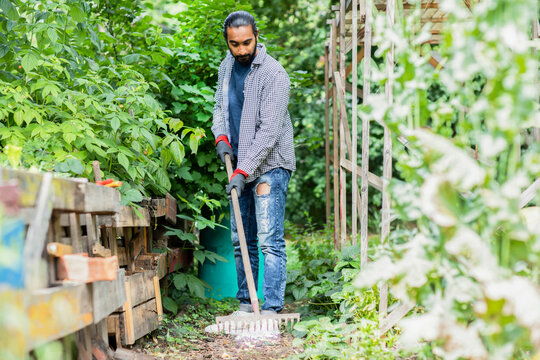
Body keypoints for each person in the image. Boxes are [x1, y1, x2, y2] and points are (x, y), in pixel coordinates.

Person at [211, 10, 296, 315]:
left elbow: (270, 132)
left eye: (247, 42)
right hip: (239, 165)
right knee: (240, 239)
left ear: (257, 36)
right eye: (235, 44)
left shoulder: (274, 74)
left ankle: (271, 308)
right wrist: (222, 139)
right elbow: (220, 108)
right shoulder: (226, 67)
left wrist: (243, 170)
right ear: (228, 43)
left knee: (269, 239)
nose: (242, 50)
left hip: (270, 164)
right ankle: (247, 303)